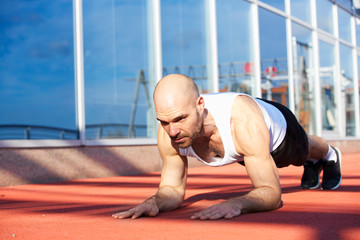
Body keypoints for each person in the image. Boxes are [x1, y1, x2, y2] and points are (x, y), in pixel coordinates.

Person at [112, 74, 341, 220]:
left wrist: (238, 203)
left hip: (278, 128)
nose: (172, 131)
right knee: (252, 154)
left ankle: (329, 154)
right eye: (163, 121)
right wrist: (155, 202)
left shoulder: (241, 122)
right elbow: (172, 190)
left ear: (200, 104)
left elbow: (272, 193)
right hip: (246, 145)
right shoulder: (170, 132)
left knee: (301, 153)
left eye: (180, 119)